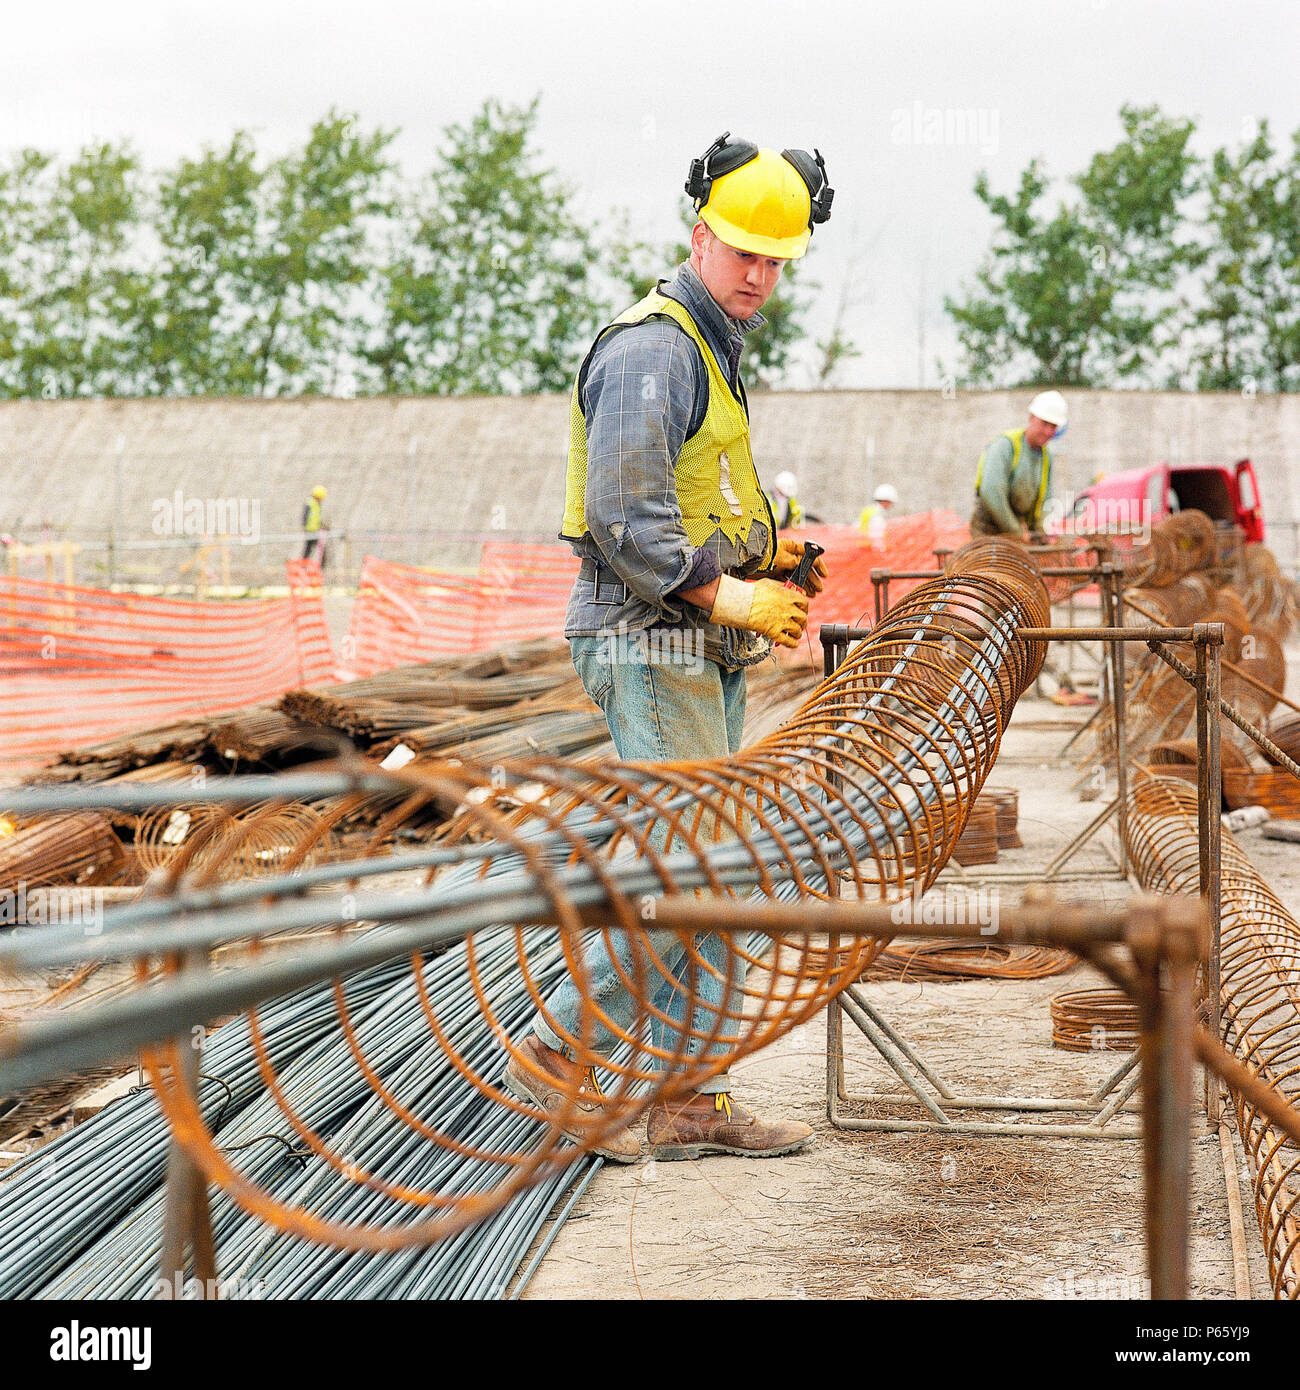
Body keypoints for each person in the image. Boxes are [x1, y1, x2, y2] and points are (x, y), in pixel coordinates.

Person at [504, 132, 834, 1163]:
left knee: (705, 871)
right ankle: (561, 1052)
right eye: (744, 253)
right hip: (650, 643)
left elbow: (704, 497)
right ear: (699, 235)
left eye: (777, 261)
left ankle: (688, 1097)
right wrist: (730, 593)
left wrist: (771, 552)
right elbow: (624, 515)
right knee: (678, 869)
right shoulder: (652, 350)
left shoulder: (708, 346)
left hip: (690, 643)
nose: (759, 276)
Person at [970, 391, 1068, 539]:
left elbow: (1046, 498)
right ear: (1031, 418)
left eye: (1053, 426)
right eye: (1044, 423)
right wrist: (1016, 531)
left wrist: (1041, 532)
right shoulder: (1005, 445)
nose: (1048, 431)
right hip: (990, 529)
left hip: (1020, 530)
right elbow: (991, 492)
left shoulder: (1046, 456)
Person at [302, 485, 328, 568]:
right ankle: (305, 566)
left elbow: (316, 517)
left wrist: (321, 524)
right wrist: (305, 527)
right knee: (310, 549)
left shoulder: (315, 503)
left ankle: (305, 566)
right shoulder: (311, 503)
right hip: (311, 530)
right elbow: (306, 516)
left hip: (315, 530)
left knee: (311, 549)